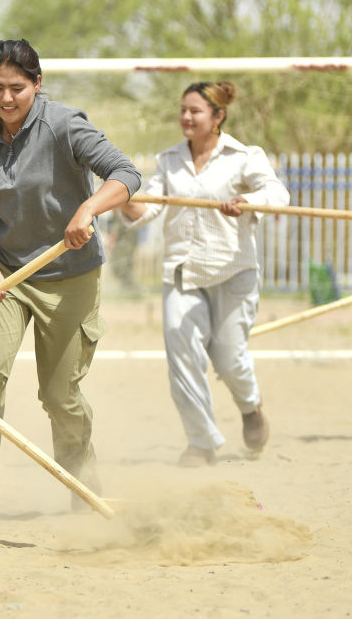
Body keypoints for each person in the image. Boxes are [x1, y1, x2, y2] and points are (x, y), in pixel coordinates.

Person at [0, 39, 141, 523]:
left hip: (70, 274)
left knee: (60, 395)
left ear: (37, 84)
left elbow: (125, 174)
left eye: (17, 88)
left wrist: (87, 208)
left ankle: (84, 490)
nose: (6, 98)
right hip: (6, 276)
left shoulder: (65, 126)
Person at [119, 81, 289, 467]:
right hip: (182, 272)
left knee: (229, 358)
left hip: (234, 270)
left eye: (195, 111)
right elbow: (149, 209)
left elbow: (278, 195)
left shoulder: (245, 156)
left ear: (218, 116)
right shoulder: (169, 160)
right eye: (182, 110)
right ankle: (201, 441)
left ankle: (250, 407)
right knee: (182, 354)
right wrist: (123, 203)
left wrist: (248, 202)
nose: (186, 117)